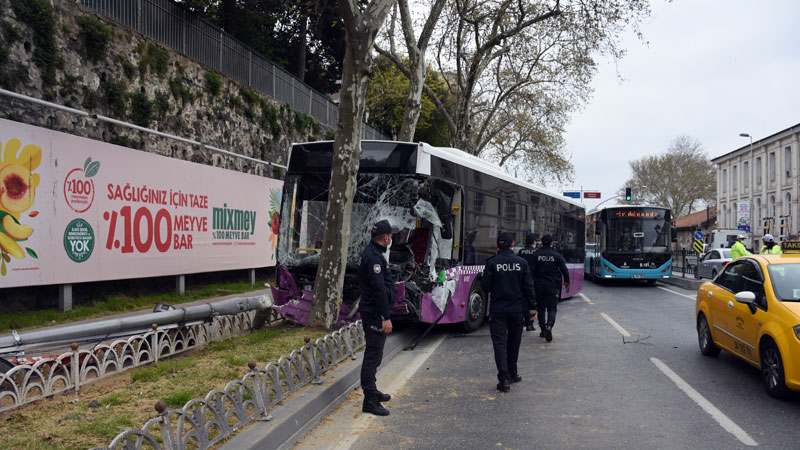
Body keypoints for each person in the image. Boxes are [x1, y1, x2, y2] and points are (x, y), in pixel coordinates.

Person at [481, 232, 536, 393]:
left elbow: (485, 287)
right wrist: (532, 308)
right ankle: (513, 373)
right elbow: (528, 287)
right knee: (514, 343)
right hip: (517, 310)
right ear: (512, 245)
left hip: (498, 310)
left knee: (499, 344)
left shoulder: (492, 263)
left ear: (497, 246)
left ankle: (503, 379)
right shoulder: (521, 263)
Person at [358, 219, 399, 416]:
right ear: (386, 237)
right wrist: (385, 316)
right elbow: (378, 289)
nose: (391, 238)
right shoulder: (374, 258)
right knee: (372, 356)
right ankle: (369, 400)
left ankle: (372, 390)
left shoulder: (374, 254)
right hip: (374, 313)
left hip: (374, 312)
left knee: (376, 355)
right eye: (391, 235)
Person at [531, 234, 570, 343]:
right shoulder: (556, 255)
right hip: (552, 286)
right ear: (552, 243)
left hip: (539, 286)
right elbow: (564, 269)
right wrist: (567, 281)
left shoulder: (536, 255)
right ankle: (549, 326)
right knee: (552, 308)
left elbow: (531, 272)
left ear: (541, 243)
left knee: (541, 308)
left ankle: (543, 330)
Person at [517, 233, 538, 332]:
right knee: (531, 302)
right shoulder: (536, 252)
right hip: (532, 280)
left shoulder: (521, 251)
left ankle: (522, 321)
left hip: (521, 280)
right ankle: (529, 324)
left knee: (522, 302)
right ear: (534, 242)